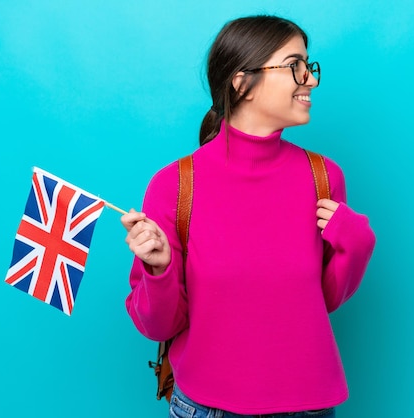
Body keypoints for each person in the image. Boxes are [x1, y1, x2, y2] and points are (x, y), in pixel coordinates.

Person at [121, 15, 376, 418]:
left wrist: (357, 246)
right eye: (295, 66)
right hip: (207, 408)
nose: (310, 79)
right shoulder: (174, 185)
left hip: (309, 406)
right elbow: (158, 326)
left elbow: (321, 301)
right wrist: (160, 270)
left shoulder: (324, 177)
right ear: (242, 82)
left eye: (309, 66)